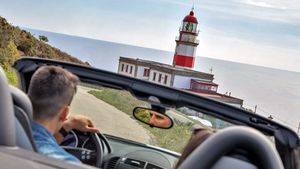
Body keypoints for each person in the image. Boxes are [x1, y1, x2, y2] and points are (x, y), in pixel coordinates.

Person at [28, 65, 99, 163]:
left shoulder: (8, 132)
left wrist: (69, 124)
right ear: (65, 113)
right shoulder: (67, 164)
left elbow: (40, 140)